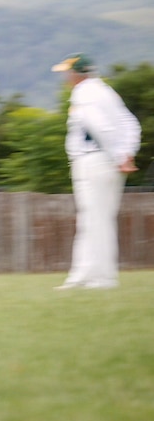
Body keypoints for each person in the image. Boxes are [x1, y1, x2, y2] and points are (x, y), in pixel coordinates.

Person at [51, 52, 141, 290]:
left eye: (68, 73)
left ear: (77, 74)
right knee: (98, 219)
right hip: (107, 162)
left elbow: (98, 127)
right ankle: (92, 276)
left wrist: (119, 156)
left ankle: (95, 278)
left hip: (93, 161)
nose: (66, 78)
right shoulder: (106, 91)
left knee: (93, 220)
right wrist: (127, 153)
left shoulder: (83, 93)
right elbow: (131, 124)